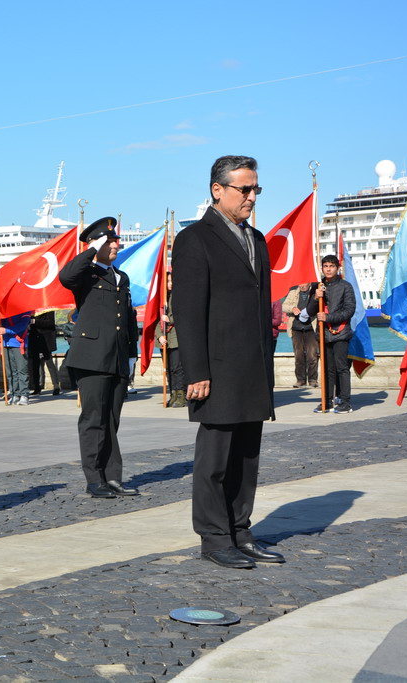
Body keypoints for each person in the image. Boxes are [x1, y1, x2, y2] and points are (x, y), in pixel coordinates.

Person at [172, 154, 282, 570]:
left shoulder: (255, 239)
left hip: (252, 367)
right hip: (215, 369)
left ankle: (241, 530)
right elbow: (188, 310)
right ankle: (215, 538)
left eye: (256, 189)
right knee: (215, 459)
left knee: (246, 458)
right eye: (245, 189)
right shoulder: (195, 239)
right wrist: (195, 371)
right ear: (218, 190)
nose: (252, 196)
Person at [59, 218, 140, 498]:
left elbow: (127, 319)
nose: (116, 244)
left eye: (116, 240)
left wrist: (132, 354)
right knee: (93, 419)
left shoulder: (121, 277)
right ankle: (94, 479)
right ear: (96, 244)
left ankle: (113, 476)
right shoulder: (86, 273)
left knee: (112, 419)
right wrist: (91, 250)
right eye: (110, 241)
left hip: (117, 357)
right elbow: (65, 276)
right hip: (91, 357)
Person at [308, 254, 356, 414]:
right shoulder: (318, 286)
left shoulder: (345, 286)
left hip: (341, 333)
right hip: (323, 334)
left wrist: (329, 317)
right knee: (327, 369)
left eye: (331, 266)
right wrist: (316, 298)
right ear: (321, 268)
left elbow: (349, 310)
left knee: (342, 368)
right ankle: (326, 400)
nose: (328, 269)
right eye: (326, 266)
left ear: (337, 268)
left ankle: (345, 402)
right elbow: (309, 311)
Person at [157, 272, 186, 407]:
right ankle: (172, 393)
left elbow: (185, 315)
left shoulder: (179, 297)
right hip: (164, 339)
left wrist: (170, 319)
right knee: (168, 369)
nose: (170, 284)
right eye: (168, 281)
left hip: (176, 337)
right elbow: (154, 320)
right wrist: (159, 336)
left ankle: (181, 395)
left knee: (177, 368)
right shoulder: (161, 298)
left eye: (172, 281)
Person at [282, 282, 319, 388]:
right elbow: (284, 306)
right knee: (299, 356)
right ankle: (300, 380)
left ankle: (313, 380)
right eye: (300, 284)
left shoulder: (314, 291)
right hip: (296, 328)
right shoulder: (293, 292)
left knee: (312, 355)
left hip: (311, 328)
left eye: (304, 283)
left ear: (309, 283)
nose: (302, 286)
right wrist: (292, 308)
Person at [0, 312, 32, 405]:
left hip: (18, 343)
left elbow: (22, 326)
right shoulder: (4, 311)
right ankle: (14, 393)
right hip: (6, 343)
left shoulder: (25, 310)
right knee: (10, 371)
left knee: (22, 370)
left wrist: (6, 330)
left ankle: (24, 394)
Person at [27, 311, 60, 396]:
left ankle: (56, 386)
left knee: (49, 362)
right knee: (34, 364)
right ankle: (36, 387)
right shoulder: (32, 310)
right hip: (34, 338)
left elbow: (51, 323)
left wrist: (35, 322)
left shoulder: (48, 309)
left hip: (46, 339)